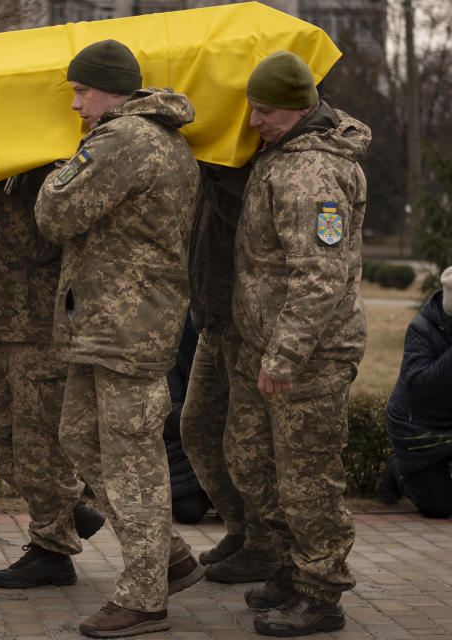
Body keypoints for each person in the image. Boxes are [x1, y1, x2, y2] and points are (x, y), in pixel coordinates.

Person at [34, 39, 203, 638]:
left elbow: (54, 213)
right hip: (106, 325)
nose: (75, 103)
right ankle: (171, 556)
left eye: (81, 91)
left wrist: (53, 174)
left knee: (132, 458)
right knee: (80, 438)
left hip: (127, 329)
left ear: (111, 89)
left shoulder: (126, 139)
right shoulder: (146, 138)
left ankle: (144, 597)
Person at [225, 50, 369, 637]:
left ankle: (320, 593)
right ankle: (292, 566)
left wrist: (283, 355)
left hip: (311, 355)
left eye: (264, 111)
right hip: (266, 346)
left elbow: (320, 276)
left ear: (300, 107)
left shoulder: (313, 173)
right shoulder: (281, 156)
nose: (254, 121)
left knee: (308, 476)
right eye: (252, 108)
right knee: (250, 458)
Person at [0, 163, 105, 590]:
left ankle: (53, 552)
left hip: (40, 335)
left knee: (37, 445)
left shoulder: (54, 174)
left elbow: (40, 243)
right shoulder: (5, 177)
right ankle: (67, 505)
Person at [179, 162, 281, 584]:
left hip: (245, 327)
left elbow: (242, 223)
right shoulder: (208, 166)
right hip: (212, 320)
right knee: (198, 428)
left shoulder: (249, 169)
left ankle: (265, 545)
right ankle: (240, 530)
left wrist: (218, 174)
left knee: (247, 446)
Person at [378, 266, 452, 519]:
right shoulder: (421, 329)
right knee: (440, 507)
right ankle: (398, 469)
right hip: (417, 427)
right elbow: (420, 385)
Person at [164, 314, 212, 526]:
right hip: (183, 446)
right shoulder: (173, 340)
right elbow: (169, 411)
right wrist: (212, 420)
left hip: (222, 443)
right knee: (188, 511)